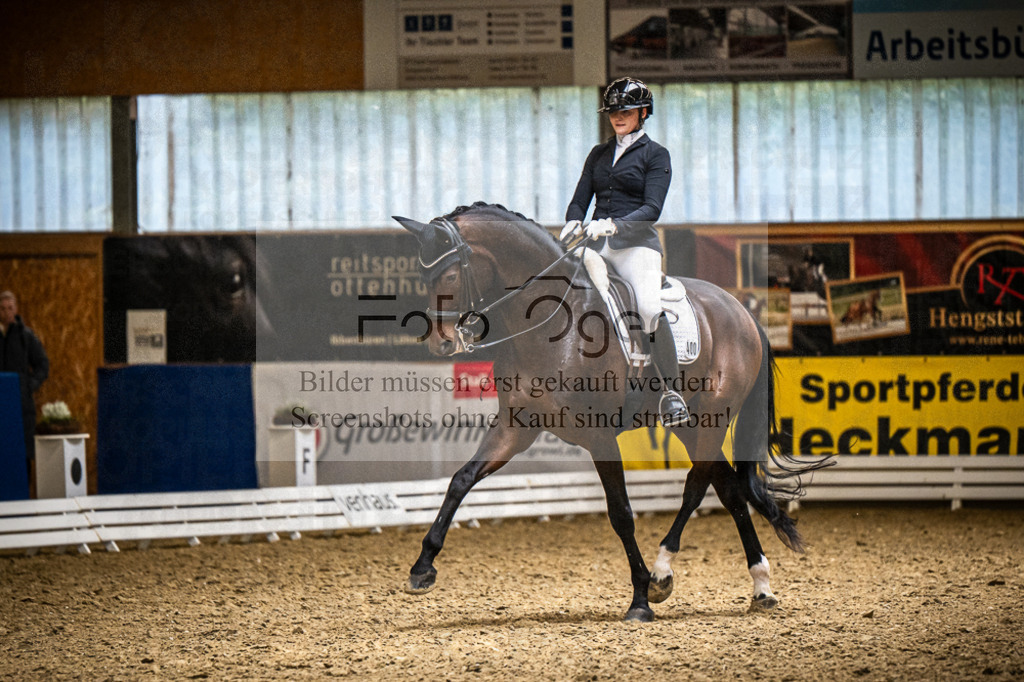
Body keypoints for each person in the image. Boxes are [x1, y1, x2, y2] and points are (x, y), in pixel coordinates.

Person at [560, 77, 688, 426]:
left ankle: (670, 392)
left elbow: (652, 208)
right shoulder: (598, 154)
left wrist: (614, 224)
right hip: (596, 247)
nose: (618, 116)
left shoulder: (656, 154)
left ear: (642, 113)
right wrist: (573, 221)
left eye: (626, 111)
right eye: (614, 111)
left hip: (636, 246)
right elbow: (580, 199)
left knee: (647, 307)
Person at [0, 291, 49, 463]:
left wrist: (29, 385)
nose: (6, 312)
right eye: (2, 308)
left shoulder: (25, 336)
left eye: (10, 308)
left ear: (16, 309)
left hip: (21, 406)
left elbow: (43, 365)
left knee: (22, 455)